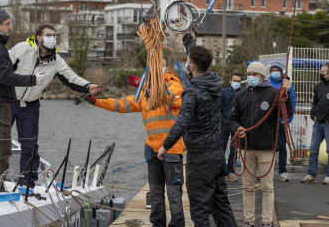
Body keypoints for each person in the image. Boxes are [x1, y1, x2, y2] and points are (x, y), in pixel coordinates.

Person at [89, 56, 185, 227]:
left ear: (167, 68)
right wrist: (96, 102)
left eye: (159, 66)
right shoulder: (145, 92)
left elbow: (168, 98)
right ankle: (158, 224)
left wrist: (152, 85)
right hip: (152, 149)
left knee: (174, 194)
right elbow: (122, 104)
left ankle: (177, 225)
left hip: (171, 148)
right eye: (153, 67)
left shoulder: (175, 85)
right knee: (155, 193)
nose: (156, 70)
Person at [158, 33, 237, 227]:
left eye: (187, 61)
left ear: (191, 67)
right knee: (221, 204)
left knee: (200, 210)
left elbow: (182, 121)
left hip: (200, 158)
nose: (186, 63)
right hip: (217, 154)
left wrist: (165, 146)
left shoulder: (192, 92)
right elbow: (198, 56)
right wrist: (187, 38)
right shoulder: (215, 84)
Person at [8, 24, 100, 190]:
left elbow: (71, 77)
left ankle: (26, 184)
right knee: (0, 143)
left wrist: (88, 86)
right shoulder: (23, 48)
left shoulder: (56, 60)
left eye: (54, 35)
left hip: (30, 106)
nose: (53, 38)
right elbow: (3, 68)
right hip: (8, 101)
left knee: (29, 145)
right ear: (39, 38)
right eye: (49, 35)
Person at [0, 7, 45, 203]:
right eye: (7, 24)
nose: (10, 28)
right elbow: (4, 76)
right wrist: (32, 79)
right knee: (2, 147)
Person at [229, 61, 293, 227]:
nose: (251, 78)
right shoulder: (241, 96)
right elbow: (233, 118)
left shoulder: (273, 93)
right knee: (247, 187)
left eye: (255, 75)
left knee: (267, 187)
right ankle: (249, 220)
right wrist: (238, 128)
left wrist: (285, 93)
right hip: (246, 147)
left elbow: (286, 113)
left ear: (262, 77)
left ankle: (266, 221)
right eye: (249, 75)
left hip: (266, 148)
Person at [301, 62, 329, 185]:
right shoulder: (318, 86)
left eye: (323, 72)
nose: (320, 74)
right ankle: (311, 174)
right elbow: (315, 101)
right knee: (313, 149)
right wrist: (313, 114)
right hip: (318, 123)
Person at [267, 61, 296, 182]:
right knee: (268, 147)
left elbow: (292, 102)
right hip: (268, 121)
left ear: (281, 72)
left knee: (282, 146)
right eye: (272, 71)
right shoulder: (266, 83)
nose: (274, 73)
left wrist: (287, 119)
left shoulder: (287, 85)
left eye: (277, 70)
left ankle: (283, 171)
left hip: (281, 120)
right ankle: (266, 171)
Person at [221, 72, 243, 182]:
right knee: (221, 148)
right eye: (234, 81)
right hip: (224, 124)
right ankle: (219, 172)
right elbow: (219, 109)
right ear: (230, 81)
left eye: (238, 81)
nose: (236, 83)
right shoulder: (223, 93)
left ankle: (230, 172)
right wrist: (222, 121)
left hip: (236, 126)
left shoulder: (243, 93)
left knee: (234, 150)